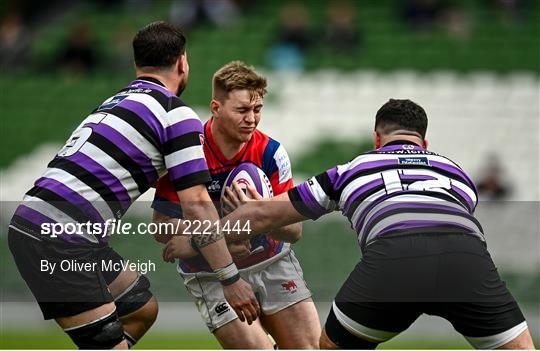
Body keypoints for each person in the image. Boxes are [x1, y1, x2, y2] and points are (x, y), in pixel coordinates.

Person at [170, 99, 536, 349]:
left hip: (393, 259)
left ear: (377, 139)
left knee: (329, 346)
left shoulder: (354, 169)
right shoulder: (455, 171)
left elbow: (266, 215)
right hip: (465, 259)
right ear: (425, 143)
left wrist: (197, 240)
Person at [7, 21, 258, 349]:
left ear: (137, 64)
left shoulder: (114, 103)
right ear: (182, 62)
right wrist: (230, 278)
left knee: (139, 307)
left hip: (45, 223)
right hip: (62, 235)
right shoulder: (173, 112)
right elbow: (196, 200)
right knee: (105, 341)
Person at [155, 61, 321, 349]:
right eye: (242, 110)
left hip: (272, 261)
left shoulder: (271, 152)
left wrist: (260, 212)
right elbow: (162, 227)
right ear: (216, 108)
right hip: (210, 274)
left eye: (257, 110)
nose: (252, 119)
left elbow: (294, 231)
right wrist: (230, 235)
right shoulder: (188, 153)